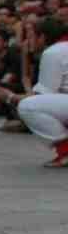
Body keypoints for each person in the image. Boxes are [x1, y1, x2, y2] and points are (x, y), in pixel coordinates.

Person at [14, 15, 68, 167]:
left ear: (43, 37)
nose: (28, 41)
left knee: (27, 106)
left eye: (31, 36)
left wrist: (11, 97)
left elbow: (44, 95)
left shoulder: (53, 52)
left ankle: (66, 151)